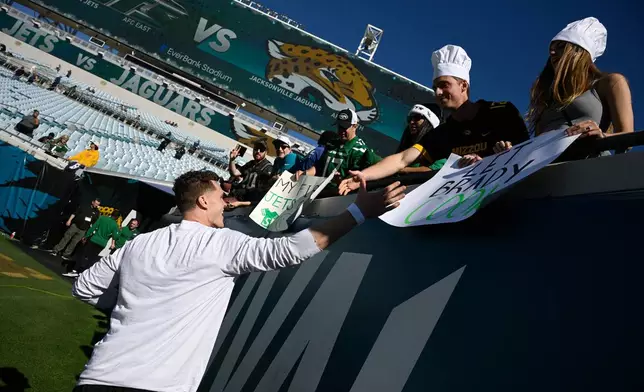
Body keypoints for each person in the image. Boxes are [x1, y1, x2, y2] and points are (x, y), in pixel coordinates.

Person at [71, 170, 406, 392]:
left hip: (96, 376)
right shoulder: (220, 243)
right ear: (203, 201)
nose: (226, 204)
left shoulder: (142, 242)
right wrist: (359, 213)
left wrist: (133, 305)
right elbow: (289, 251)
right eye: (221, 198)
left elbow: (84, 287)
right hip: (154, 386)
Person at [339, 44, 530, 195]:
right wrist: (364, 176)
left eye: (444, 85)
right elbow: (402, 159)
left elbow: (528, 152)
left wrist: (496, 158)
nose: (438, 92)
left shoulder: (502, 112)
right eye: (435, 87)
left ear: (463, 85)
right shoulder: (441, 133)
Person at [526, 17, 634, 143]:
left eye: (561, 46)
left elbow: (627, 137)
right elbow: (536, 144)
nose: (553, 52)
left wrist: (601, 136)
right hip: (551, 162)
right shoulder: (548, 95)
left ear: (580, 51)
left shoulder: (610, 82)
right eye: (551, 49)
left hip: (589, 161)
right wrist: (511, 152)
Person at [311, 109, 381, 182]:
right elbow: (319, 167)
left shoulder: (360, 151)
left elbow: (357, 179)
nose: (341, 131)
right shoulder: (332, 143)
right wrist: (306, 173)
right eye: (339, 127)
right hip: (318, 189)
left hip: (335, 192)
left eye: (345, 127)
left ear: (355, 126)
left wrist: (342, 180)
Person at [64, 210, 121, 277]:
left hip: (94, 240)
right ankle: (83, 273)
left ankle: (75, 271)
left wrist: (86, 236)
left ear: (111, 214)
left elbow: (94, 227)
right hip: (102, 244)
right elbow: (116, 236)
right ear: (117, 217)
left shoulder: (102, 218)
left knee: (84, 255)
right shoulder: (115, 225)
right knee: (92, 259)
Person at [397, 104, 443, 174]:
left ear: (429, 123)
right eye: (410, 118)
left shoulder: (441, 145)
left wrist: (401, 170)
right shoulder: (407, 141)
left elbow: (434, 170)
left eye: (417, 117)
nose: (412, 122)